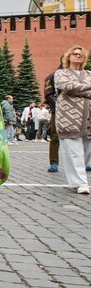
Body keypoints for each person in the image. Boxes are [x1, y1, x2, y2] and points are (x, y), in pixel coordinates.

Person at [53, 45, 91, 195]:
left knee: (86, 153)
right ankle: (82, 183)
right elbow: (66, 86)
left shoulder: (88, 73)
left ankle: (75, 181)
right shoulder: (61, 73)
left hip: (88, 120)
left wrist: (78, 89)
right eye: (74, 54)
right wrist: (87, 89)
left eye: (80, 54)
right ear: (68, 57)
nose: (78, 56)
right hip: (68, 120)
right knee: (74, 153)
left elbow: (73, 89)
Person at [45, 64, 62, 172]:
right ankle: (54, 163)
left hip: (77, 112)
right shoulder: (52, 76)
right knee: (55, 136)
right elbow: (48, 94)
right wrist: (60, 106)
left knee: (79, 137)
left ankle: (85, 161)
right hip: (58, 110)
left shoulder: (80, 74)